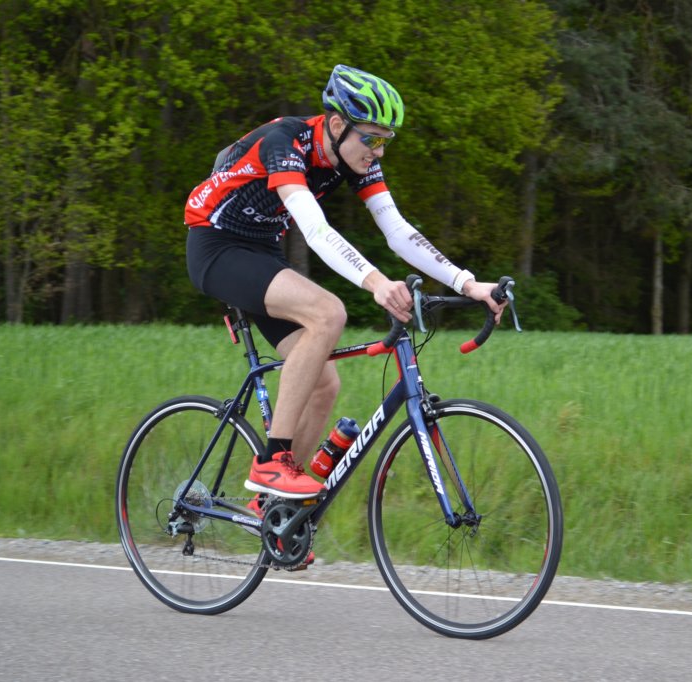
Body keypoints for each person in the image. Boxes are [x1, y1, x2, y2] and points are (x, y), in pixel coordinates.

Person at [184, 64, 504, 501]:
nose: (380, 152)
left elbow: (398, 230)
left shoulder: (350, 157)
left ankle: (273, 507)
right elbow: (316, 231)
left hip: (262, 251)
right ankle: (271, 464)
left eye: (386, 140)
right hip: (217, 246)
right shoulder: (284, 143)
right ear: (337, 126)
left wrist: (467, 284)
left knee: (324, 384)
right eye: (372, 139)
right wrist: (376, 282)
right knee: (328, 313)